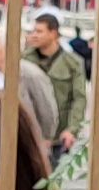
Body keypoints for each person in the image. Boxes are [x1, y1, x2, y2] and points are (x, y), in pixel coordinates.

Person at [24, 10, 86, 146]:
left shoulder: (73, 63)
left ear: (53, 33)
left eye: (39, 31)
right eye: (33, 31)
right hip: (29, 134)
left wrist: (72, 129)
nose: (34, 35)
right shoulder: (24, 60)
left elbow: (79, 98)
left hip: (59, 137)